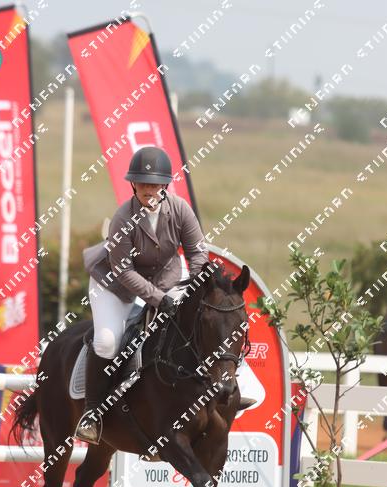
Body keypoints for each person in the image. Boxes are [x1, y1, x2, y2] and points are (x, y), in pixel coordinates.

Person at [74, 146, 255, 444]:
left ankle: (233, 387)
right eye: (143, 183)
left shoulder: (180, 209)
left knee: (206, 319)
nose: (149, 190)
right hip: (116, 285)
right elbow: (124, 271)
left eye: (155, 184)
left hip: (166, 278)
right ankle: (92, 414)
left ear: (165, 185)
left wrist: (199, 286)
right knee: (107, 341)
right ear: (134, 184)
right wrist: (160, 300)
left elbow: (197, 254)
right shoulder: (123, 218)